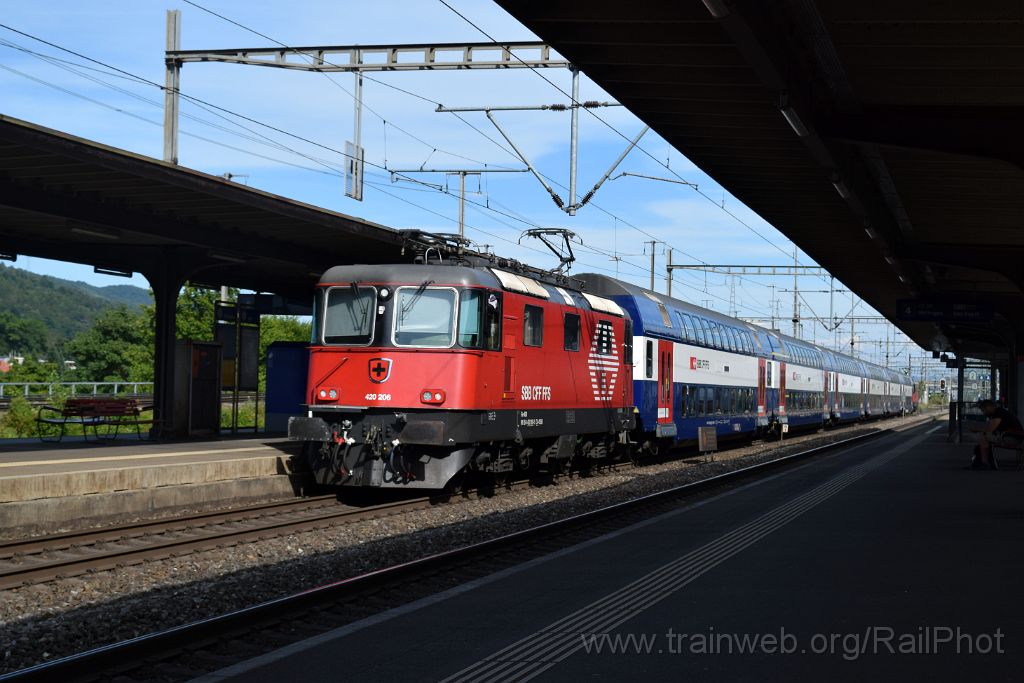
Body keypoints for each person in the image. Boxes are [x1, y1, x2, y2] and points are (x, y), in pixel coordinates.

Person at [968, 400, 1024, 470]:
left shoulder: (998, 413)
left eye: (983, 410)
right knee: (984, 436)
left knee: (984, 436)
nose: (983, 413)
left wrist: (976, 429)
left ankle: (984, 463)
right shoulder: (999, 412)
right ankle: (984, 461)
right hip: (1013, 437)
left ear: (988, 407)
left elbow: (990, 429)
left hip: (1013, 438)